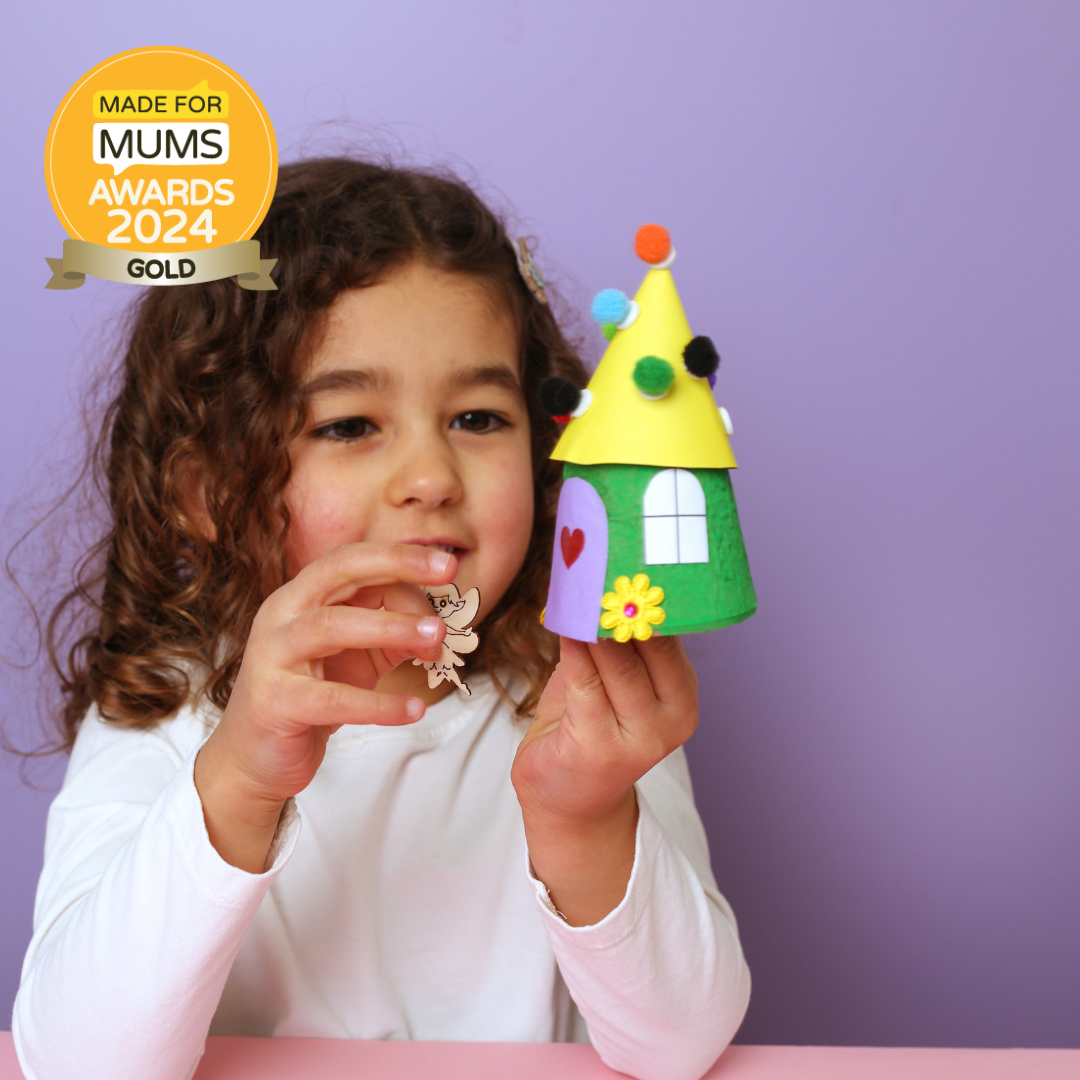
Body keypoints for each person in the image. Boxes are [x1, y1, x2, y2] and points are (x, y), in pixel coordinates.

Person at [12, 158, 750, 1080]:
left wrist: (584, 816)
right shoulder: (164, 710)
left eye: (478, 418)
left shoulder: (580, 704)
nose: (432, 478)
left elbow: (680, 1048)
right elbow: (79, 1064)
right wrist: (239, 780)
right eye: (350, 425)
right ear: (204, 492)